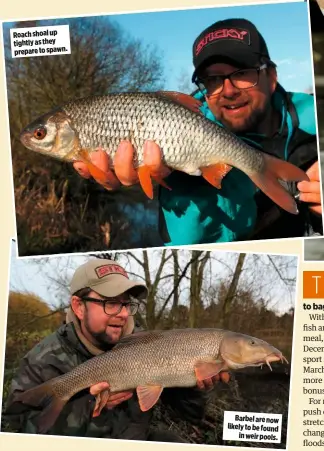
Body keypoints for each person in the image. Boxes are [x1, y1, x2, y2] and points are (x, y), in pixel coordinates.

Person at [73, 18, 322, 245]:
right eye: (212, 80)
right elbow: (189, 248)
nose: (228, 90)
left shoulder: (314, 118)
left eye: (243, 73)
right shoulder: (186, 126)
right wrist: (187, 187)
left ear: (271, 76)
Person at [3, 258, 229, 440]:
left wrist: (192, 385)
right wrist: (90, 405)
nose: (122, 314)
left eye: (127, 304)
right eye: (110, 303)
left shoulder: (148, 346)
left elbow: (189, 416)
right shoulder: (42, 361)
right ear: (79, 307)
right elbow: (24, 434)